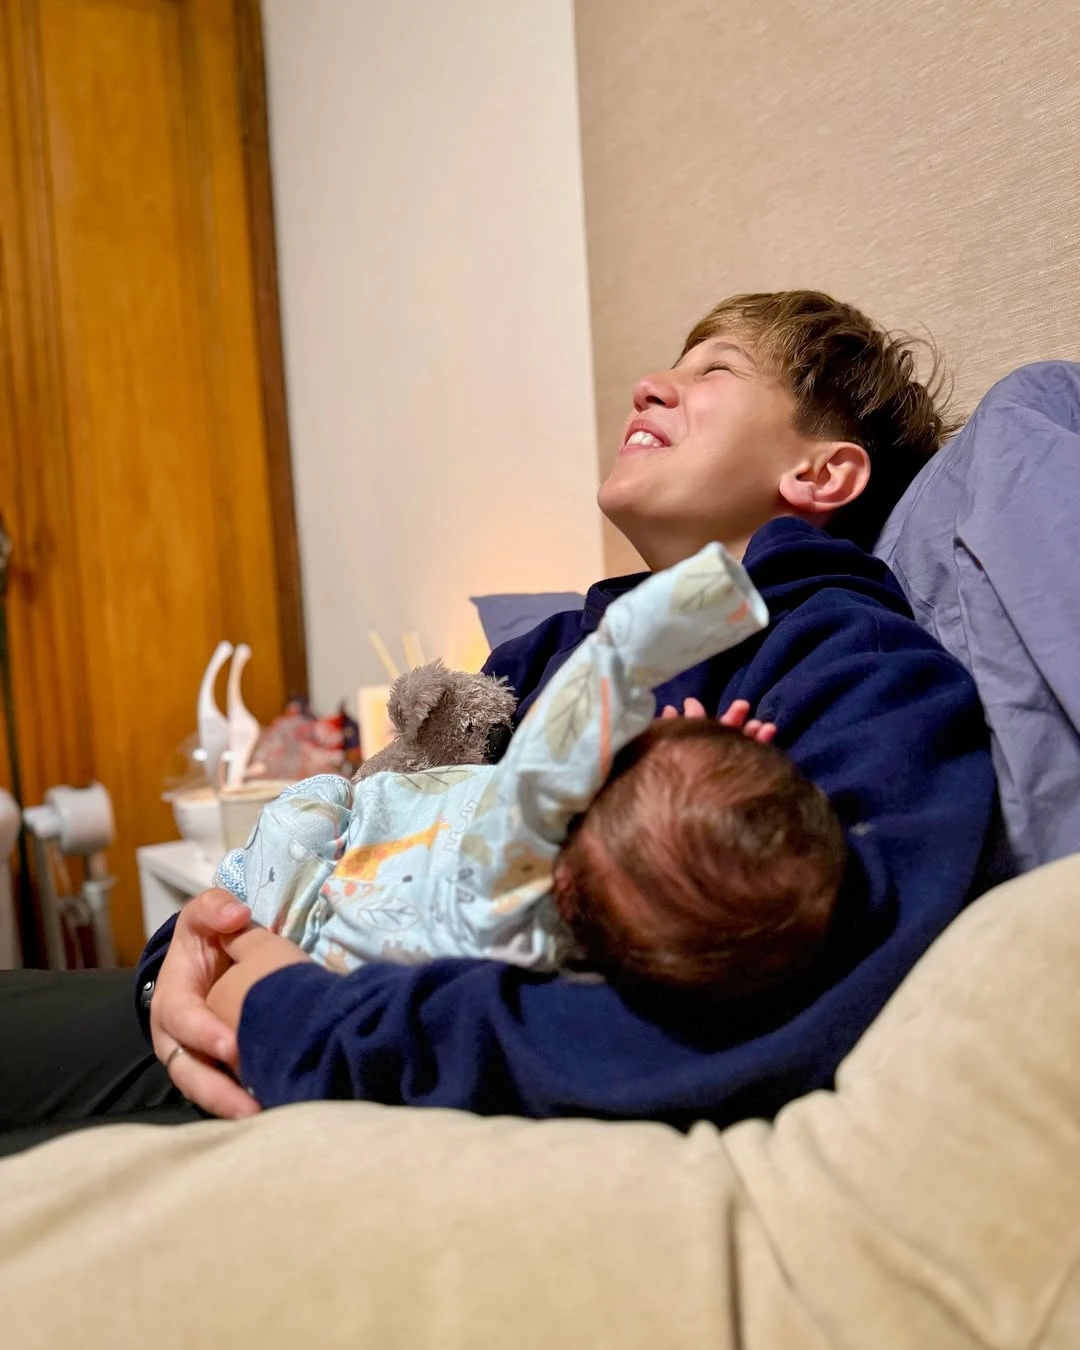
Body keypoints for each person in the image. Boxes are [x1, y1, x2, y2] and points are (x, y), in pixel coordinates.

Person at [0, 290, 998, 1151]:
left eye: (715, 371)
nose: (649, 386)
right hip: (261, 993)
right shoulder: (541, 656)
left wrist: (289, 1013)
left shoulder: (861, 670)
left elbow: (791, 1013)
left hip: (345, 1057)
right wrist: (183, 958)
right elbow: (367, 839)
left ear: (822, 474)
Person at [217, 543, 845, 1008]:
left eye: (635, 755)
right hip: (341, 941)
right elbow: (685, 841)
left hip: (299, 910)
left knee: (314, 803)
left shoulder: (518, 856)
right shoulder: (584, 947)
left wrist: (713, 597)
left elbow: (607, 669)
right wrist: (723, 764)